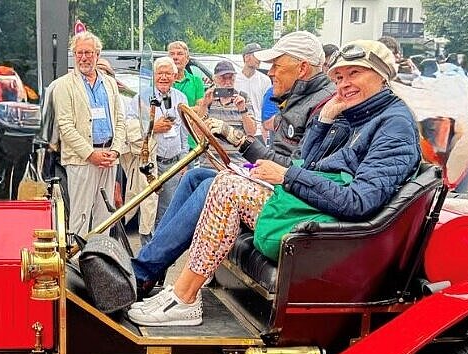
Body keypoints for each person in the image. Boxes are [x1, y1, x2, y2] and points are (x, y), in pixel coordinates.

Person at [128, 40, 421, 326]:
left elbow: (358, 201)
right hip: (316, 206)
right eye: (340, 76)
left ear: (382, 76)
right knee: (206, 178)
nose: (344, 84)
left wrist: (285, 176)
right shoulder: (355, 113)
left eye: (355, 73)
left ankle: (184, 296)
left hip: (336, 227)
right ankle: (155, 276)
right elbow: (307, 161)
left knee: (225, 187)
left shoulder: (392, 123)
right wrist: (324, 122)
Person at [132, 31, 335, 294]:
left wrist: (241, 141)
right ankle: (150, 269)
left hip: (292, 198)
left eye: (276, 65)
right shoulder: (302, 98)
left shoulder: (320, 106)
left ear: (303, 68)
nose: (270, 72)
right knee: (195, 177)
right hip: (279, 185)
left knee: (212, 187)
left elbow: (294, 169)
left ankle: (143, 273)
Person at [50, 31, 127, 237]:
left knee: (105, 216)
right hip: (82, 161)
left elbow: (120, 120)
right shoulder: (64, 85)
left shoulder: (110, 83)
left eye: (88, 53)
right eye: (79, 53)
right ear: (74, 55)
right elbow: (65, 127)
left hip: (109, 157)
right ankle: (76, 264)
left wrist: (116, 150)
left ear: (98, 55)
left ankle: (99, 264)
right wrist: (91, 154)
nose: (84, 57)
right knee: (80, 216)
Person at [126, 56, 188, 245]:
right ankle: (147, 247)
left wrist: (184, 159)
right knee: (148, 207)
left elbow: (185, 131)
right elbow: (129, 126)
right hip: (151, 163)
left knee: (167, 209)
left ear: (174, 76)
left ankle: (162, 248)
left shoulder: (180, 98)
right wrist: (152, 127)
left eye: (167, 73)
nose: (163, 77)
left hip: (173, 163)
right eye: (159, 73)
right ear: (153, 75)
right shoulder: (142, 97)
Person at [193, 60, 257, 166]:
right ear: (215, 79)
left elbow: (251, 132)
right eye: (223, 78)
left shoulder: (243, 98)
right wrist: (204, 105)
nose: (228, 82)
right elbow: (197, 131)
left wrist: (242, 110)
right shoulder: (209, 99)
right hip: (211, 163)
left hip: (236, 163)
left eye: (231, 78)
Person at [235, 42, 272, 139]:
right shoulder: (234, 80)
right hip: (238, 129)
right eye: (257, 56)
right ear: (247, 57)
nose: (260, 59)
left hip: (259, 130)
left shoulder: (265, 80)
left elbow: (267, 106)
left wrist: (265, 127)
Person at [167, 40, 205, 107]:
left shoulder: (196, 81)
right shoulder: (160, 81)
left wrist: (183, 111)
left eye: (180, 54)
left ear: (187, 59)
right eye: (172, 54)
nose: (175, 57)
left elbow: (200, 108)